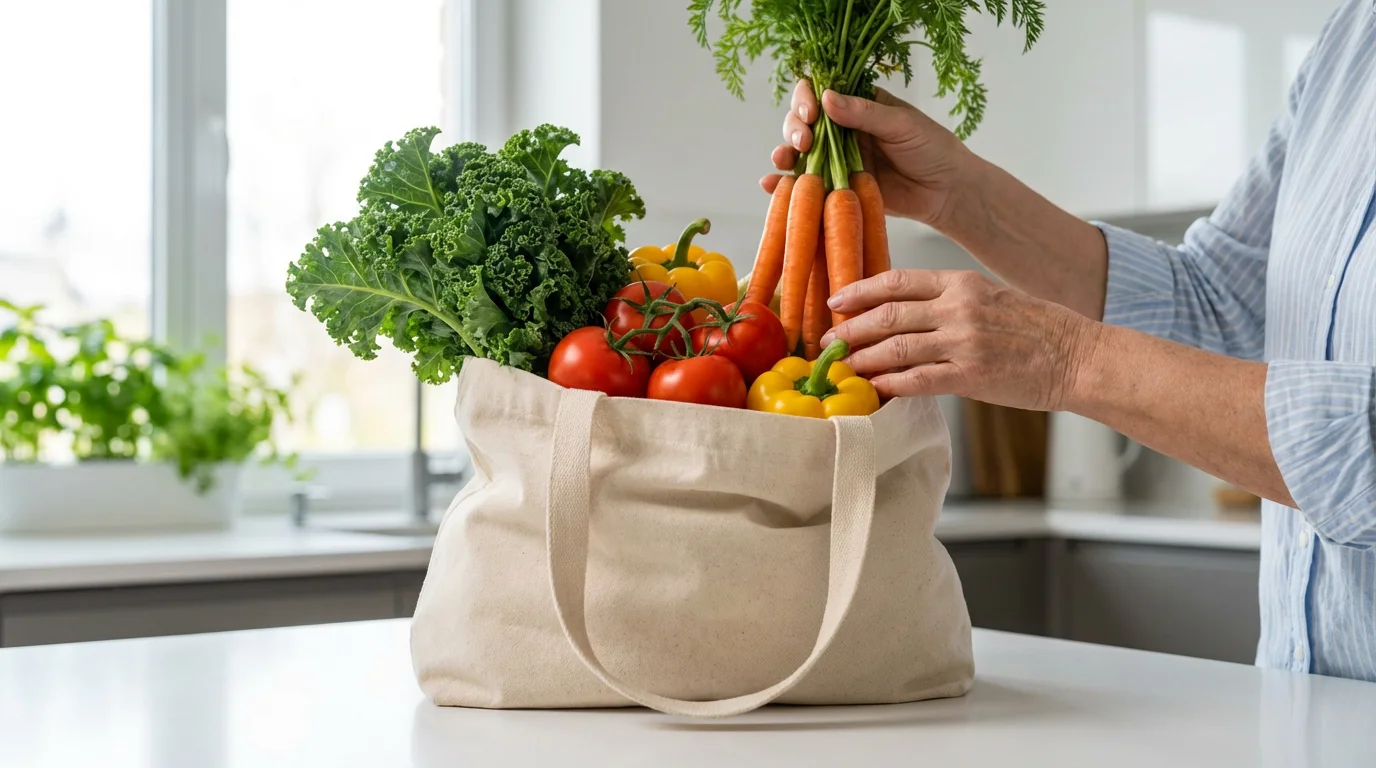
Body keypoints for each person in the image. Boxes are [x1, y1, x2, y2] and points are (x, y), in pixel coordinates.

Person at [765, 0, 1376, 682]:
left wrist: (1068, 361)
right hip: (1300, 704)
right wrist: (961, 197)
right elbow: (1219, 304)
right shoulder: (1353, 37)